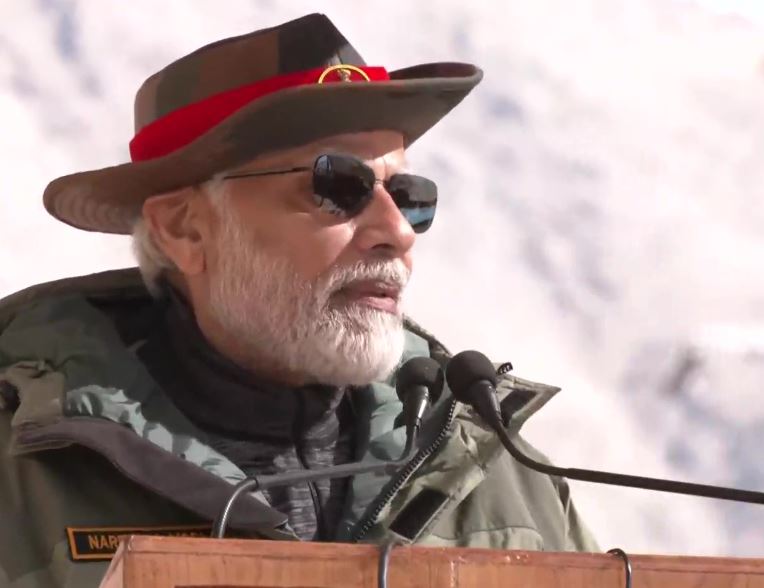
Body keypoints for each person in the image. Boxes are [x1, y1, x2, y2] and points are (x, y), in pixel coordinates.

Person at [0, 13, 598, 588]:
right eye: (338, 187)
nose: (399, 231)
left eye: (409, 194)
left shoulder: (498, 468)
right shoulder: (23, 475)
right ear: (184, 228)